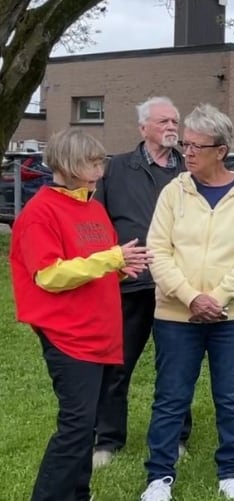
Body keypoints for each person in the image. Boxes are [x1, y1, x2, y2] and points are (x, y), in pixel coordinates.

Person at [10, 128, 152, 501]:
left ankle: (78, 494)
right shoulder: (41, 212)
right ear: (71, 164)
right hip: (68, 335)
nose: (100, 169)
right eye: (92, 162)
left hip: (100, 332)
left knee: (86, 425)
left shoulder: (91, 206)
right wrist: (111, 259)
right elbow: (50, 275)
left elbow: (91, 262)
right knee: (75, 426)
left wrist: (121, 266)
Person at [139, 104, 234, 501]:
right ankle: (159, 477)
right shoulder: (173, 192)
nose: (187, 153)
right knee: (171, 395)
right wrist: (192, 297)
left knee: (232, 395)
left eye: (197, 146)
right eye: (185, 145)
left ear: (222, 150)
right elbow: (157, 251)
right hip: (177, 315)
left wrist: (218, 297)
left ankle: (231, 472)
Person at [93, 96, 189, 468]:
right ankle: (107, 440)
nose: (171, 127)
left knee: (176, 365)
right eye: (164, 120)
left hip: (175, 286)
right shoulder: (117, 170)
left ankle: (177, 437)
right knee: (117, 365)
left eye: (175, 121)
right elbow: (99, 224)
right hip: (129, 285)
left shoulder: (188, 170)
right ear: (143, 127)